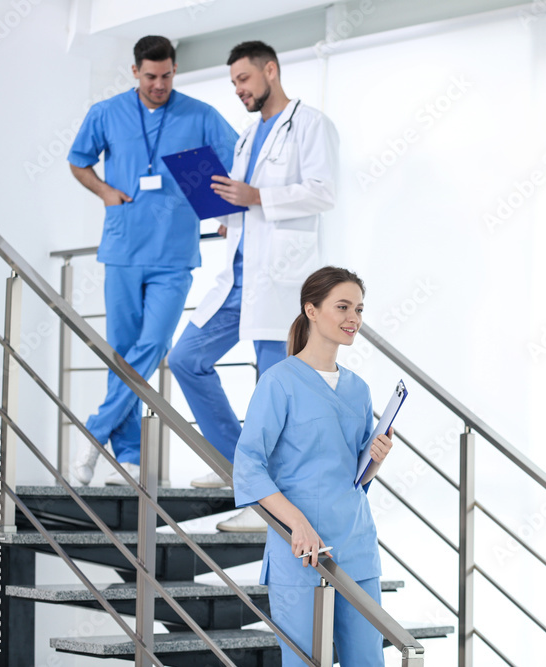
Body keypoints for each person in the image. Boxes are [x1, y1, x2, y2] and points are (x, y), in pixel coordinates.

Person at [167, 40, 339, 532]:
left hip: (280, 279)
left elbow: (324, 193)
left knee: (272, 392)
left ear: (270, 70)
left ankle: (267, 507)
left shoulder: (310, 124)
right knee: (186, 359)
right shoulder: (247, 135)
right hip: (238, 276)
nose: (239, 90)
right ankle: (236, 466)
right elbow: (246, 204)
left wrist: (257, 197)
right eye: (234, 84)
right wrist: (230, 212)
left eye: (243, 80)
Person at [69, 36, 238, 486]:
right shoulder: (106, 113)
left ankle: (94, 433)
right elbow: (78, 160)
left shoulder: (200, 115)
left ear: (175, 70)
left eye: (166, 76)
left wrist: (225, 211)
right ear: (135, 72)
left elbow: (238, 159)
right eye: (150, 76)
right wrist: (105, 192)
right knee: (122, 352)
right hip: (123, 248)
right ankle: (127, 458)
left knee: (155, 346)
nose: (159, 84)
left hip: (174, 253)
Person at [233, 266, 391, 667]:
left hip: (355, 543)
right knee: (304, 661)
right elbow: (249, 464)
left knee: (368, 661)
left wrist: (375, 459)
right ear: (312, 310)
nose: (353, 318)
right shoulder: (279, 381)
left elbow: (354, 476)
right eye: (342, 307)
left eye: (358, 308)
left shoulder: (358, 388)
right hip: (299, 549)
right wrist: (295, 522)